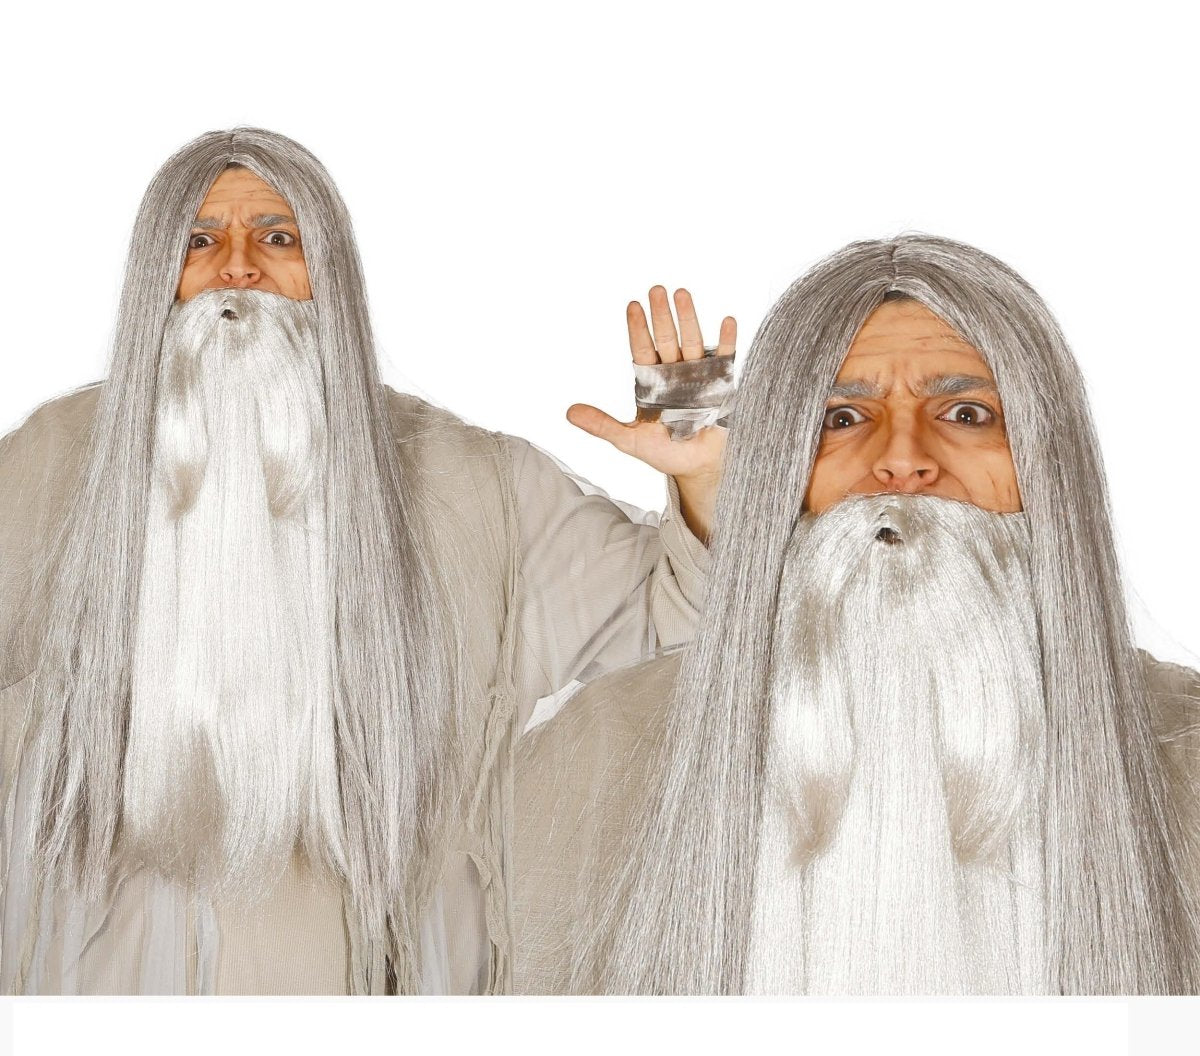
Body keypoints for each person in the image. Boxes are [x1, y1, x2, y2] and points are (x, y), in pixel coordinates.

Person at [0, 128, 734, 994]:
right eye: (199, 241)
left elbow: (678, 622)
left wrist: (709, 482)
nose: (238, 269)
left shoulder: (468, 480)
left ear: (334, 279)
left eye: (278, 237)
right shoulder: (48, 463)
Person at [512, 234, 1200, 996]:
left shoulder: (1189, 753)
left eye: (966, 412)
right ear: (781, 471)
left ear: (1049, 468)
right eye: (841, 419)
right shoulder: (587, 761)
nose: (901, 461)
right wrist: (718, 506)